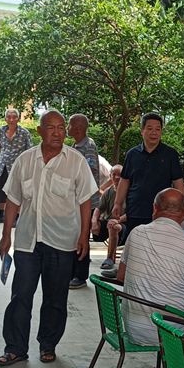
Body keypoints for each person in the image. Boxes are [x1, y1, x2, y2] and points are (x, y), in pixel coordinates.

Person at [0, 110, 96, 365]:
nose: (57, 132)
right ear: (39, 131)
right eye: (51, 127)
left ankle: (48, 344)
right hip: (28, 240)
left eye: (61, 127)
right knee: (21, 295)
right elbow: (13, 199)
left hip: (62, 241)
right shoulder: (25, 160)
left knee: (55, 298)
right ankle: (15, 348)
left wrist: (84, 235)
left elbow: (85, 201)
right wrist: (6, 235)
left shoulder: (75, 161)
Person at [117, 188, 184, 346]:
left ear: (154, 208)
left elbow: (121, 276)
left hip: (134, 328)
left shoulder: (136, 233)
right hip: (171, 332)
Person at [112, 112, 184, 243]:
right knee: (136, 245)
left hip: (162, 211)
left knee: (160, 245)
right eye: (150, 129)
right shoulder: (132, 154)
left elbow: (178, 182)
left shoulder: (170, 154)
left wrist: (181, 207)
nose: (154, 133)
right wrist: (117, 203)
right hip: (136, 210)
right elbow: (124, 181)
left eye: (158, 129)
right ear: (142, 131)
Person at [68, 113, 100, 289]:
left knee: (82, 236)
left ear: (78, 128)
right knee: (74, 236)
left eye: (70, 125)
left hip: (85, 201)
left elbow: (89, 172)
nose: (67, 128)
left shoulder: (88, 146)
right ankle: (72, 271)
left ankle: (80, 275)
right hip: (75, 200)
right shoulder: (76, 145)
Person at [0, 108, 32, 224]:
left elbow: (29, 149)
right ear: (5, 119)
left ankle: (16, 217)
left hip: (17, 166)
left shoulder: (24, 133)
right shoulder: (1, 130)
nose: (11, 119)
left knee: (16, 191)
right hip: (2, 165)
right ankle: (1, 215)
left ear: (18, 119)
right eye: (9, 117)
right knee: (1, 189)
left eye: (14, 117)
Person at [93, 165, 123, 272]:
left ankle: (110, 258)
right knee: (87, 221)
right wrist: (94, 221)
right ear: (110, 176)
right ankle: (83, 255)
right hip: (108, 222)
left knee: (113, 226)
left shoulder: (130, 192)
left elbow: (132, 213)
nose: (117, 177)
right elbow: (98, 208)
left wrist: (117, 220)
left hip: (124, 223)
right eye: (114, 174)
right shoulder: (108, 191)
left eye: (120, 175)